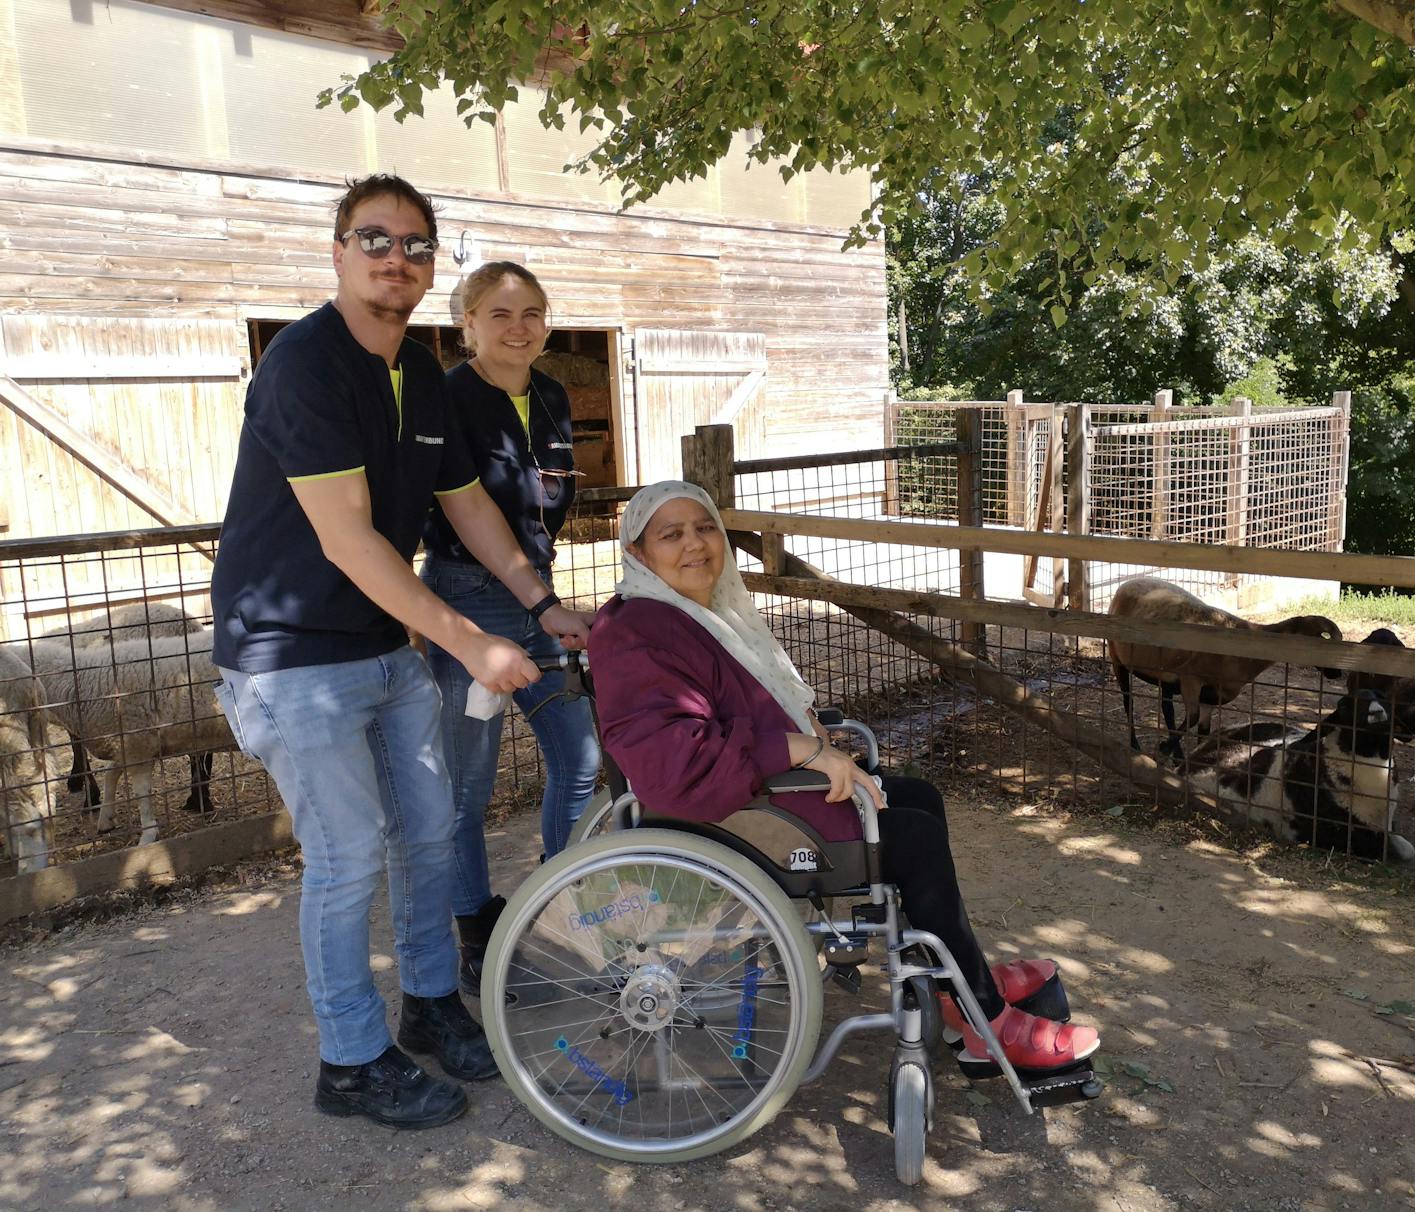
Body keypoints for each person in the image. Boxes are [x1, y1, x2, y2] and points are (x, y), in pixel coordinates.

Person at [210, 174, 587, 1130]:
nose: (396, 258)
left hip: (383, 645)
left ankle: (428, 1007)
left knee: (428, 832)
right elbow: (348, 539)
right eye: (374, 240)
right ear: (338, 252)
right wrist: (473, 641)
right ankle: (351, 1059)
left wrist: (540, 606)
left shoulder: (418, 373)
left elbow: (468, 505)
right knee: (345, 859)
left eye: (416, 245)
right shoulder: (305, 365)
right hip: (291, 655)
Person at [588, 481, 1101, 1075]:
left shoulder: (690, 612)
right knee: (911, 838)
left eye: (704, 528)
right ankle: (980, 1016)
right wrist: (803, 748)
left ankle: (956, 976)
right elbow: (671, 761)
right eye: (670, 535)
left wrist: (806, 745)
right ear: (637, 553)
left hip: (750, 793)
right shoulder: (638, 630)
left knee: (918, 800)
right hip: (722, 813)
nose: (695, 545)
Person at [419, 261, 599, 996]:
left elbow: (546, 508)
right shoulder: (449, 400)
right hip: (469, 603)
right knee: (468, 786)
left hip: (539, 599)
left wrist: (545, 595)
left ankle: (562, 902)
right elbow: (466, 510)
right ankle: (476, 928)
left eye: (532, 312)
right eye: (499, 313)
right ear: (466, 325)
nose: (518, 327)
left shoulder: (552, 397)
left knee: (580, 756)